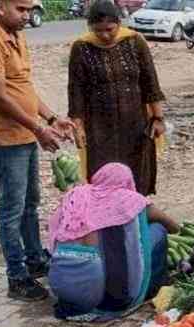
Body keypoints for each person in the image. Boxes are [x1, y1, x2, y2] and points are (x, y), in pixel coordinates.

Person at [0, 0, 75, 301]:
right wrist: (39, 128)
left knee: (31, 202)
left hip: (24, 132)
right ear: (1, 7)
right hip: (5, 137)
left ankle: (34, 259)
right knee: (12, 207)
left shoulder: (16, 35)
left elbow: (23, 88)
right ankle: (16, 278)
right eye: (20, 9)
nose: (27, 15)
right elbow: (0, 97)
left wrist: (51, 118)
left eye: (29, 9)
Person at [47, 163, 180, 322]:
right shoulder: (132, 201)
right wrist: (142, 223)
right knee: (158, 230)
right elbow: (174, 227)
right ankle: (154, 287)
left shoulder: (75, 196)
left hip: (63, 286)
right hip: (109, 296)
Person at [68, 0, 166, 197]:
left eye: (110, 29)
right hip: (99, 129)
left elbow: (150, 84)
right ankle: (108, 225)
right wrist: (77, 127)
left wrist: (158, 118)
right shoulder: (81, 48)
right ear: (90, 28)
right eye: (98, 31)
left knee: (137, 179)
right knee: (103, 182)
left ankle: (138, 224)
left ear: (119, 23)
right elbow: (75, 92)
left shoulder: (135, 41)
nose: (104, 35)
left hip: (136, 125)